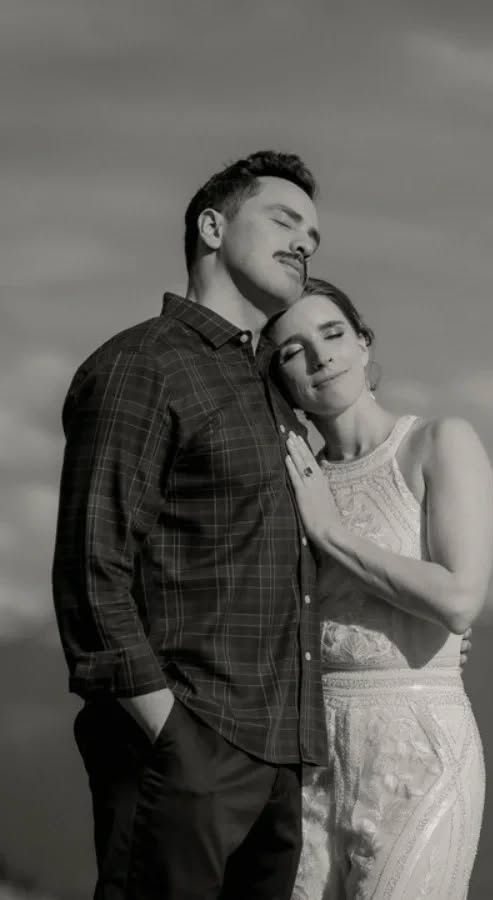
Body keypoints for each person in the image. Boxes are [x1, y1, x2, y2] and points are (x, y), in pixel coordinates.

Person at [51, 151, 326, 900]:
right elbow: (91, 564)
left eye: (313, 237)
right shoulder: (144, 364)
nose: (304, 243)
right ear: (212, 227)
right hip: (183, 747)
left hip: (278, 759)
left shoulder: (273, 392)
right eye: (285, 221)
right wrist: (172, 734)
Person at [264, 277, 493, 900]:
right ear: (281, 379)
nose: (320, 356)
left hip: (419, 751)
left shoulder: (437, 444)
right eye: (294, 351)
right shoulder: (293, 481)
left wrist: (330, 533)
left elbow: (459, 600)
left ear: (364, 343)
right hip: (309, 763)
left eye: (333, 333)